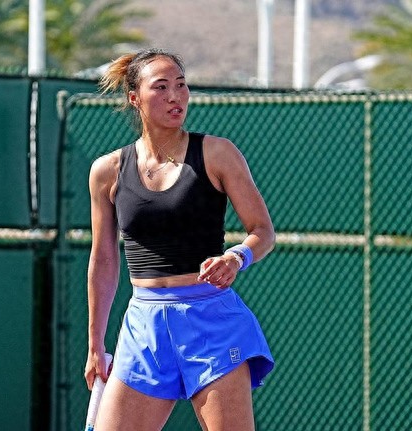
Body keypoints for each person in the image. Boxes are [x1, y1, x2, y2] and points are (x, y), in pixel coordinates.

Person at [84, 48, 275, 431]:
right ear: (135, 98)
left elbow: (262, 231)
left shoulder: (218, 153)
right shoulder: (107, 171)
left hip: (212, 325)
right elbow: (103, 260)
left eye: (181, 85)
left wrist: (236, 257)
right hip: (144, 327)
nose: (175, 96)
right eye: (161, 87)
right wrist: (95, 346)